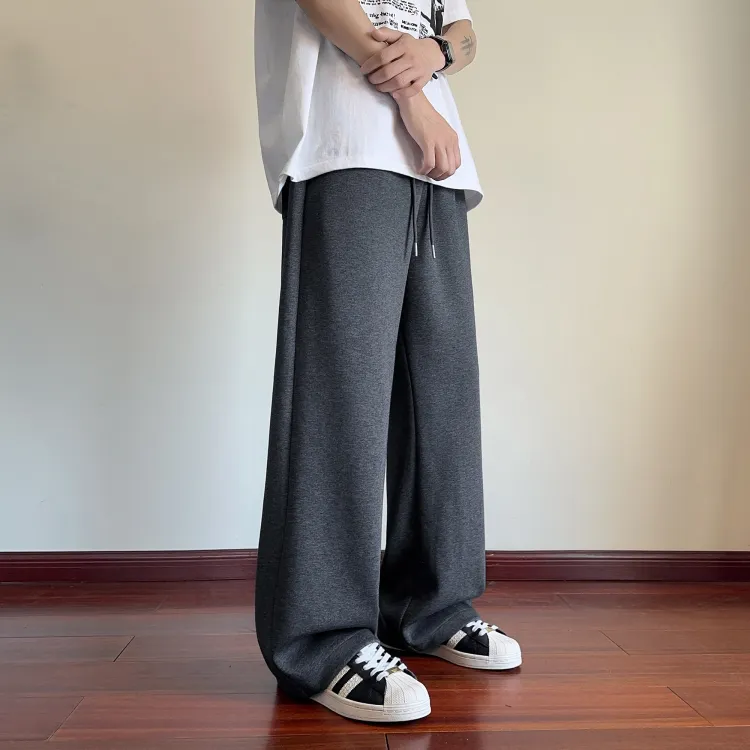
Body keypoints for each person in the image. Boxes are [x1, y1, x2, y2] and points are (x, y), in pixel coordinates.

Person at [254, 0, 522, 723]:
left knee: (442, 393)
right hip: (345, 147)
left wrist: (438, 54)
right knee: (340, 395)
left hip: (436, 170)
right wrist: (415, 101)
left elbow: (462, 32)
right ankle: (323, 639)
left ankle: (429, 606)